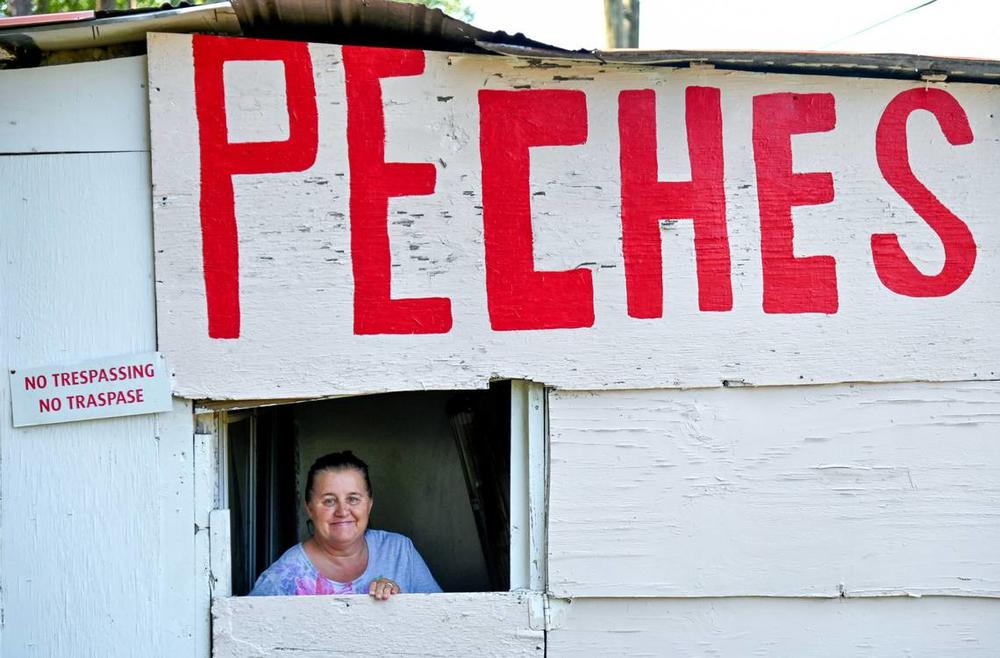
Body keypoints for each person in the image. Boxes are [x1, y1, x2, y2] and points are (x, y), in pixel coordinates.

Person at [250, 450, 441, 598]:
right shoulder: (283, 576)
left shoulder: (398, 551)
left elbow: (441, 621)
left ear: (370, 504)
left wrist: (401, 604)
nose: (342, 512)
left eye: (353, 499)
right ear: (309, 508)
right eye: (329, 501)